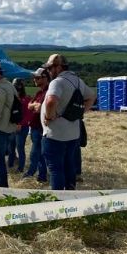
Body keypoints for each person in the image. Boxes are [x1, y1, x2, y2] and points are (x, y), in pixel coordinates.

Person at [41, 54, 95, 190]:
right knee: (69, 166)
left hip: (55, 134)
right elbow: (92, 97)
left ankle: (58, 201)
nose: (48, 71)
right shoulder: (78, 81)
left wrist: (48, 117)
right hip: (73, 133)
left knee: (55, 169)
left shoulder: (57, 82)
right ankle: (71, 195)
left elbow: (51, 101)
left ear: (58, 67)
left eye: (49, 68)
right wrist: (79, 113)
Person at [24, 68, 49, 182]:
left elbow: (38, 108)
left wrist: (35, 106)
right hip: (35, 127)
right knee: (38, 154)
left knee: (36, 154)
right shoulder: (39, 92)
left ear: (45, 78)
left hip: (41, 128)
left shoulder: (48, 92)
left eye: (37, 78)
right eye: (34, 77)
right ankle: (40, 176)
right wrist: (35, 105)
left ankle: (33, 174)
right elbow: (29, 105)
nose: (34, 79)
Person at [7, 77, 33, 173]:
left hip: (22, 127)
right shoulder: (10, 98)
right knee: (10, 148)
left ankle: (20, 168)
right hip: (12, 127)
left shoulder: (26, 99)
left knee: (20, 148)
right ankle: (10, 165)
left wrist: (20, 124)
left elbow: (29, 115)